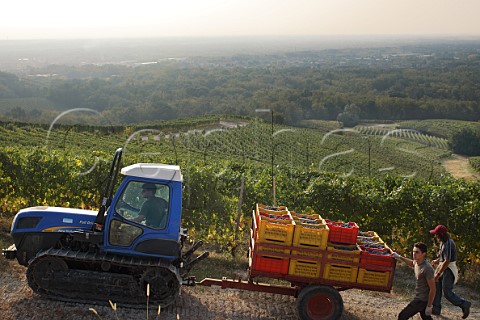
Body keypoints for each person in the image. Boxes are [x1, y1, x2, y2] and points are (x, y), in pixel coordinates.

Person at [430, 224, 471, 318]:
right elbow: (442, 257)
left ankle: (464, 304)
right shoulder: (442, 242)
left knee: (447, 292)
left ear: (441, 235)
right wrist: (437, 260)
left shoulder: (448, 243)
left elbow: (447, 261)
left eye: (436, 234)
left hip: (448, 269)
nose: (435, 236)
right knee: (437, 286)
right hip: (444, 267)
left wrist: (438, 274)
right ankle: (436, 308)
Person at [392, 242, 436, 320]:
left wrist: (429, 306)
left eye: (417, 252)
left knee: (402, 316)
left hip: (421, 300)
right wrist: (399, 257)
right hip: (420, 298)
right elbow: (412, 263)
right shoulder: (417, 262)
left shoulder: (427, 269)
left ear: (423, 254)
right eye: (413, 251)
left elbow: (433, 289)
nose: (414, 254)